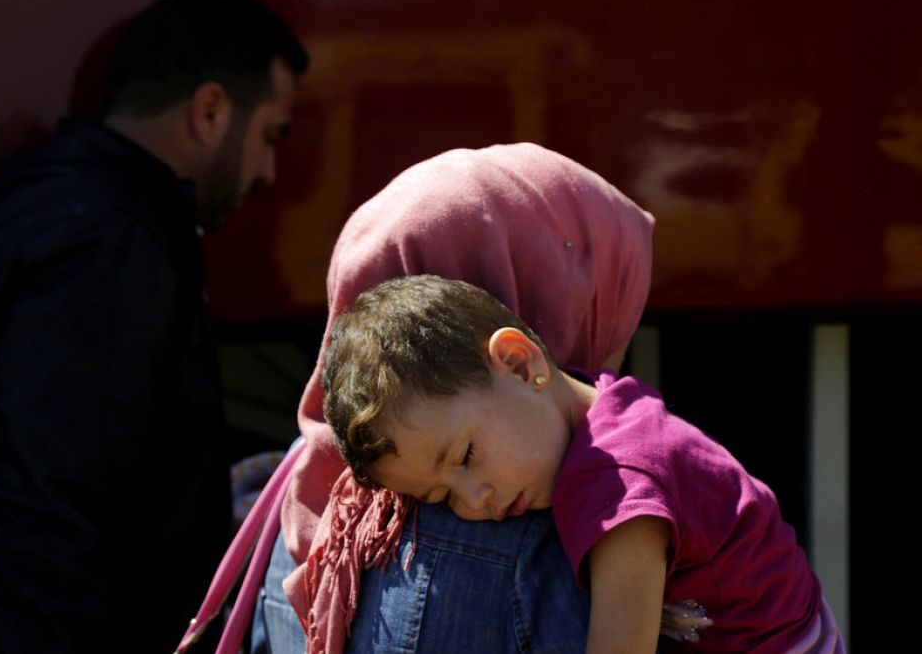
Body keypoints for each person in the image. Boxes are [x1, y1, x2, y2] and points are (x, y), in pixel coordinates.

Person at [0, 0, 307, 653]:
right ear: (211, 111)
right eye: (271, 134)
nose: (271, 170)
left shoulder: (61, 207)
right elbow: (48, 517)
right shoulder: (109, 246)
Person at [254, 143, 710, 654]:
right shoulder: (585, 514)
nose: (473, 504)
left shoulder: (309, 508)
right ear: (517, 356)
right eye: (609, 288)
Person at [324, 274, 846, 654]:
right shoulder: (602, 404)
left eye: (466, 456)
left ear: (519, 362)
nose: (473, 501)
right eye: (440, 498)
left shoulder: (616, 484)